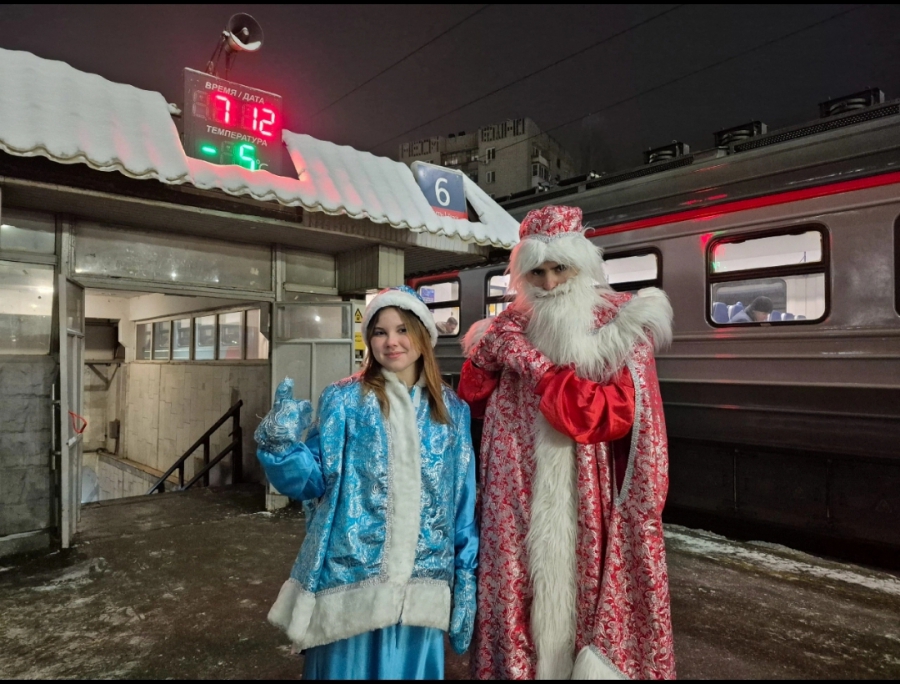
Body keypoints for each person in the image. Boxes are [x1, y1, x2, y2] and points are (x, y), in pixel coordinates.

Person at [457, 205, 676, 680]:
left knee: (578, 590)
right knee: (517, 587)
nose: (550, 283)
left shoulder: (618, 325)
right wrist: (488, 358)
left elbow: (608, 416)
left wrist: (534, 365)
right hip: (513, 483)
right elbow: (471, 400)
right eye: (537, 271)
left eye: (561, 269)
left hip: (585, 487)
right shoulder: (507, 324)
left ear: (583, 265)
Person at [255, 285, 478, 680]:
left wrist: (465, 580)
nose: (392, 341)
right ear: (368, 339)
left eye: (403, 329)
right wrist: (282, 448)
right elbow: (312, 481)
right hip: (350, 585)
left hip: (422, 587)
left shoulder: (452, 411)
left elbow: (462, 503)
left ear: (424, 335)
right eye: (380, 331)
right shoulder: (344, 400)